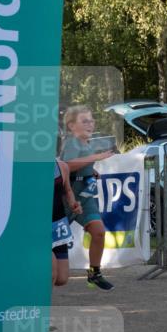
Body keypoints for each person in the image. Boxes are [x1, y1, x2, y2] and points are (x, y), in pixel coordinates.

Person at [60, 105, 115, 290]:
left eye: (91, 120)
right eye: (84, 121)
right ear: (71, 126)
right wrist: (95, 157)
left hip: (85, 196)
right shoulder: (71, 143)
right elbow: (67, 165)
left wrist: (91, 171)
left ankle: (94, 273)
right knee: (51, 240)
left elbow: (82, 165)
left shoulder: (87, 144)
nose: (90, 124)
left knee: (99, 232)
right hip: (65, 196)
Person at [52, 159, 82, 287]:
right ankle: (42, 306)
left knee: (61, 278)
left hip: (58, 224)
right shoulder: (30, 166)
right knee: (51, 274)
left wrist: (73, 203)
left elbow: (68, 190)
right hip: (38, 225)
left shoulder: (62, 166)